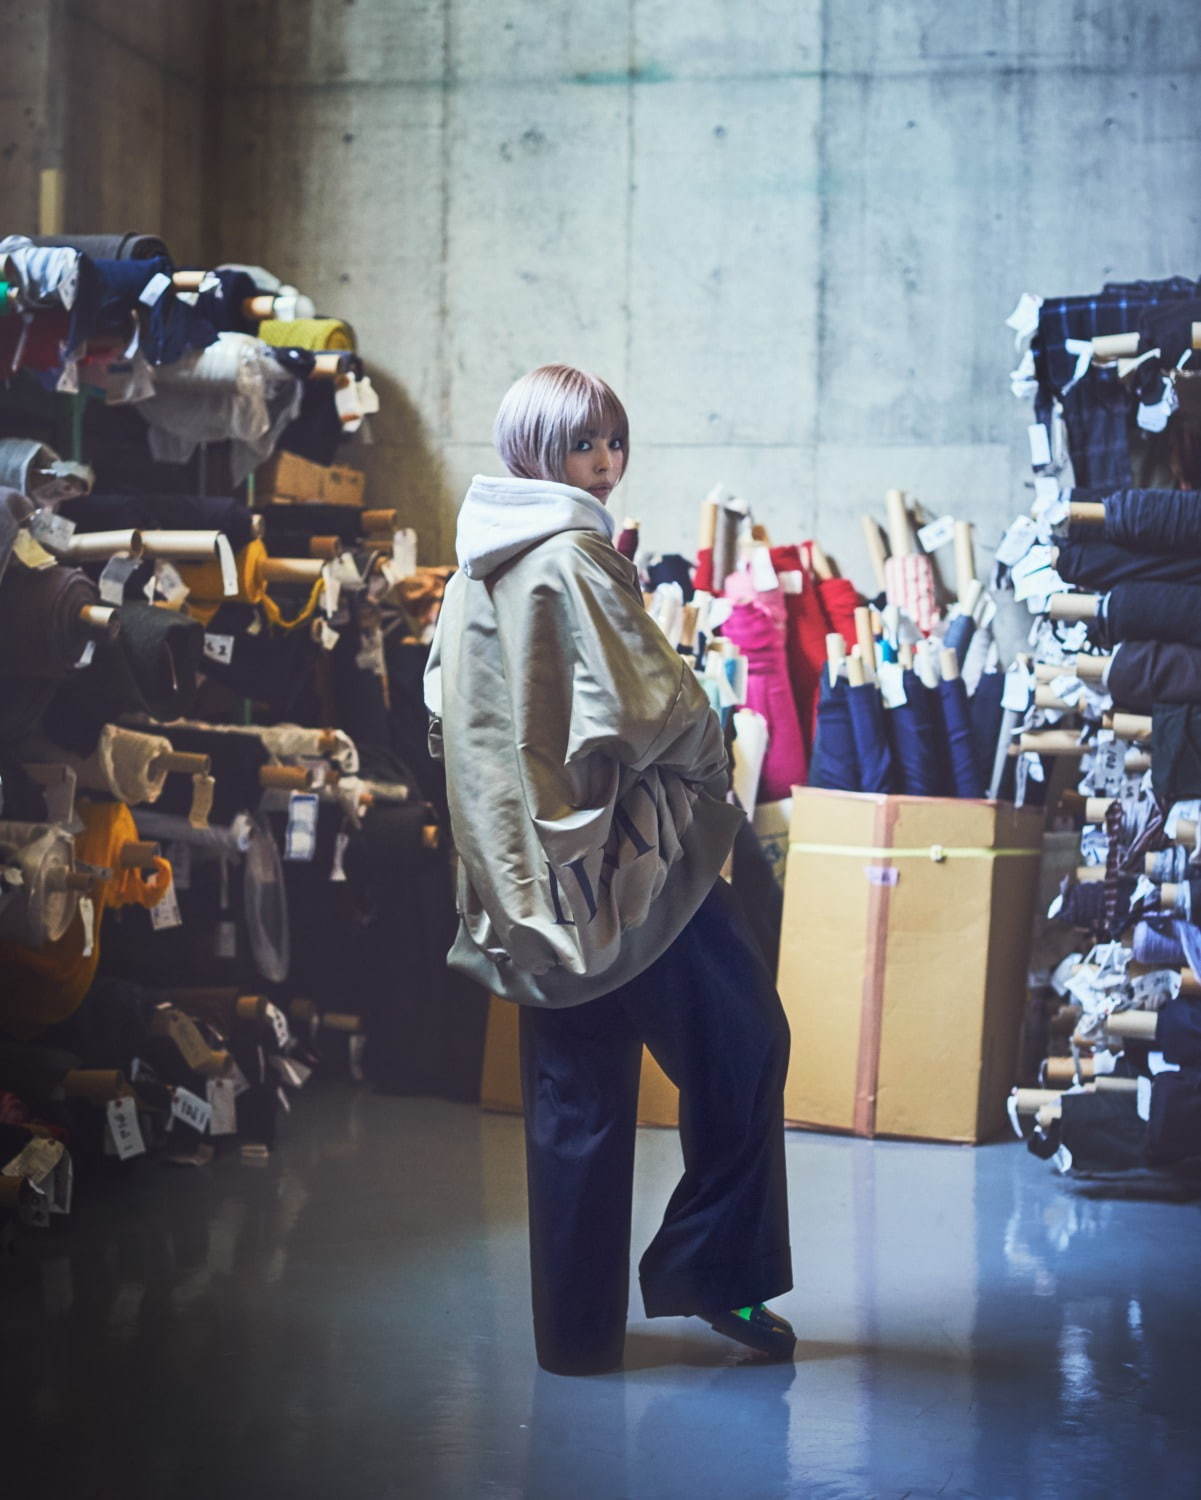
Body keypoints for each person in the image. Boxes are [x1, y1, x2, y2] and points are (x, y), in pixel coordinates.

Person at [424, 363, 793, 1376]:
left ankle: (575, 1338)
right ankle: (718, 1275)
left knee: (577, 1100)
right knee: (747, 1042)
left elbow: (445, 714)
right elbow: (652, 709)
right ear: (543, 450)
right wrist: (708, 752)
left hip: (534, 889)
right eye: (587, 445)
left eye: (614, 442)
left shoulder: (473, 568)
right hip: (634, 873)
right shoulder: (575, 556)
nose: (607, 464)